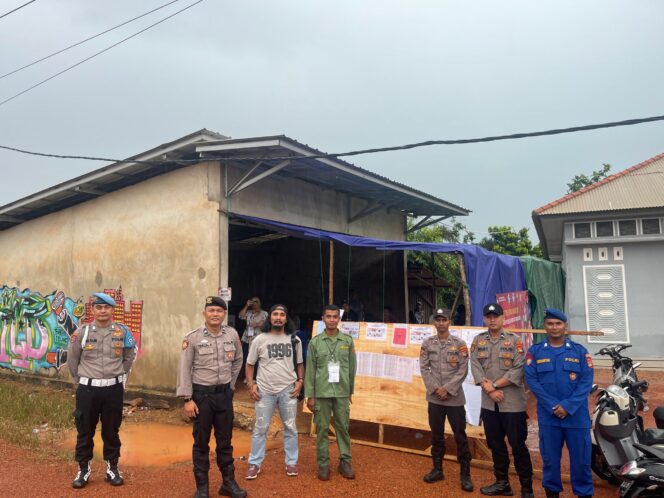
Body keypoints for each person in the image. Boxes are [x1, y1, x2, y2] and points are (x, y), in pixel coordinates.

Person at [176, 296, 246, 498]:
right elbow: (184, 369)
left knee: (225, 442)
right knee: (201, 443)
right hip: (201, 397)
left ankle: (228, 484)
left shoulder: (231, 334)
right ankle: (202, 488)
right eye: (211, 310)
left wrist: (231, 386)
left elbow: (238, 360)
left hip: (224, 396)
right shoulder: (193, 337)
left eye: (219, 311)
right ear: (204, 313)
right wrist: (187, 399)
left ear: (224, 314)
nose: (215, 314)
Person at [67, 292, 137, 489]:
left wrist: (119, 375)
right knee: (85, 431)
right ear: (93, 310)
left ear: (112, 310)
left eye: (107, 307)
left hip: (113, 390)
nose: (103, 310)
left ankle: (112, 468)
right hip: (87, 390)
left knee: (111, 431)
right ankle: (83, 470)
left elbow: (129, 356)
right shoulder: (82, 332)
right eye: (99, 307)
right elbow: (72, 360)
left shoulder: (123, 332)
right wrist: (79, 383)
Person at [525, 308, 594, 498]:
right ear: (544, 326)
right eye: (550, 324)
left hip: (576, 417)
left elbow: (586, 382)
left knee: (581, 461)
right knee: (550, 460)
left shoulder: (579, 352)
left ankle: (583, 493)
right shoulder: (535, 352)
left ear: (565, 326)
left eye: (558, 323)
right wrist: (554, 406)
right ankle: (552, 493)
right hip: (549, 417)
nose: (554, 327)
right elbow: (532, 381)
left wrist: (568, 406)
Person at [470, 303, 533, 498]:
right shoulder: (478, 340)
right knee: (495, 445)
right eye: (488, 316)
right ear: (484, 319)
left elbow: (519, 368)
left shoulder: (515, 341)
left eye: (495, 316)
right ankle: (502, 483)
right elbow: (475, 365)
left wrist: (495, 386)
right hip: (489, 404)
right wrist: (488, 389)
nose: (492, 319)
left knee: (518, 445)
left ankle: (526, 488)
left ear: (503, 317)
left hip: (512, 404)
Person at [245, 305, 304, 479]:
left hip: (288, 390)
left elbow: (300, 364)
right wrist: (251, 384)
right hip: (265, 390)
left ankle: (291, 462)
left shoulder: (295, 340)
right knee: (260, 428)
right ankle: (254, 463)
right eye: (275, 314)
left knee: (291, 428)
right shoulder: (259, 340)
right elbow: (250, 364)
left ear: (286, 319)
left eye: (282, 315)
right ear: (269, 318)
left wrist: (300, 382)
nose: (278, 317)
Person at [419, 308, 474, 492]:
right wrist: (436, 389)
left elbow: (463, 369)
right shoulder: (427, 343)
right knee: (436, 435)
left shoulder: (459, 343)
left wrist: (448, 389)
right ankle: (437, 469)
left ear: (449, 321)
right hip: (435, 398)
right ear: (434, 322)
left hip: (454, 398)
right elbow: (424, 368)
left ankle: (465, 475)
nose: (441, 323)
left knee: (460, 436)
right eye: (438, 319)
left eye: (444, 319)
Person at [305, 304, 357, 481]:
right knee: (322, 429)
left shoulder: (347, 341)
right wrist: (310, 396)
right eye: (328, 316)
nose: (332, 320)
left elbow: (352, 368)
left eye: (335, 317)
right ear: (323, 319)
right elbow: (310, 370)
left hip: (342, 392)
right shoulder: (315, 342)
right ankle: (323, 464)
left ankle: (345, 462)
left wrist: (350, 391)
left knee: (343, 428)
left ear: (339, 319)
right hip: (321, 393)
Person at [238, 297, 267, 382]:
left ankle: (255, 377)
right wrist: (246, 306)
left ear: (260, 303)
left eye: (256, 301)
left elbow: (268, 326)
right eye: (252, 301)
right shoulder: (248, 312)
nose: (254, 303)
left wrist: (259, 325)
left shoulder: (264, 313)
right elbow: (240, 316)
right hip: (247, 338)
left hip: (259, 339)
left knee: (258, 358)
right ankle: (247, 377)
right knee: (247, 357)